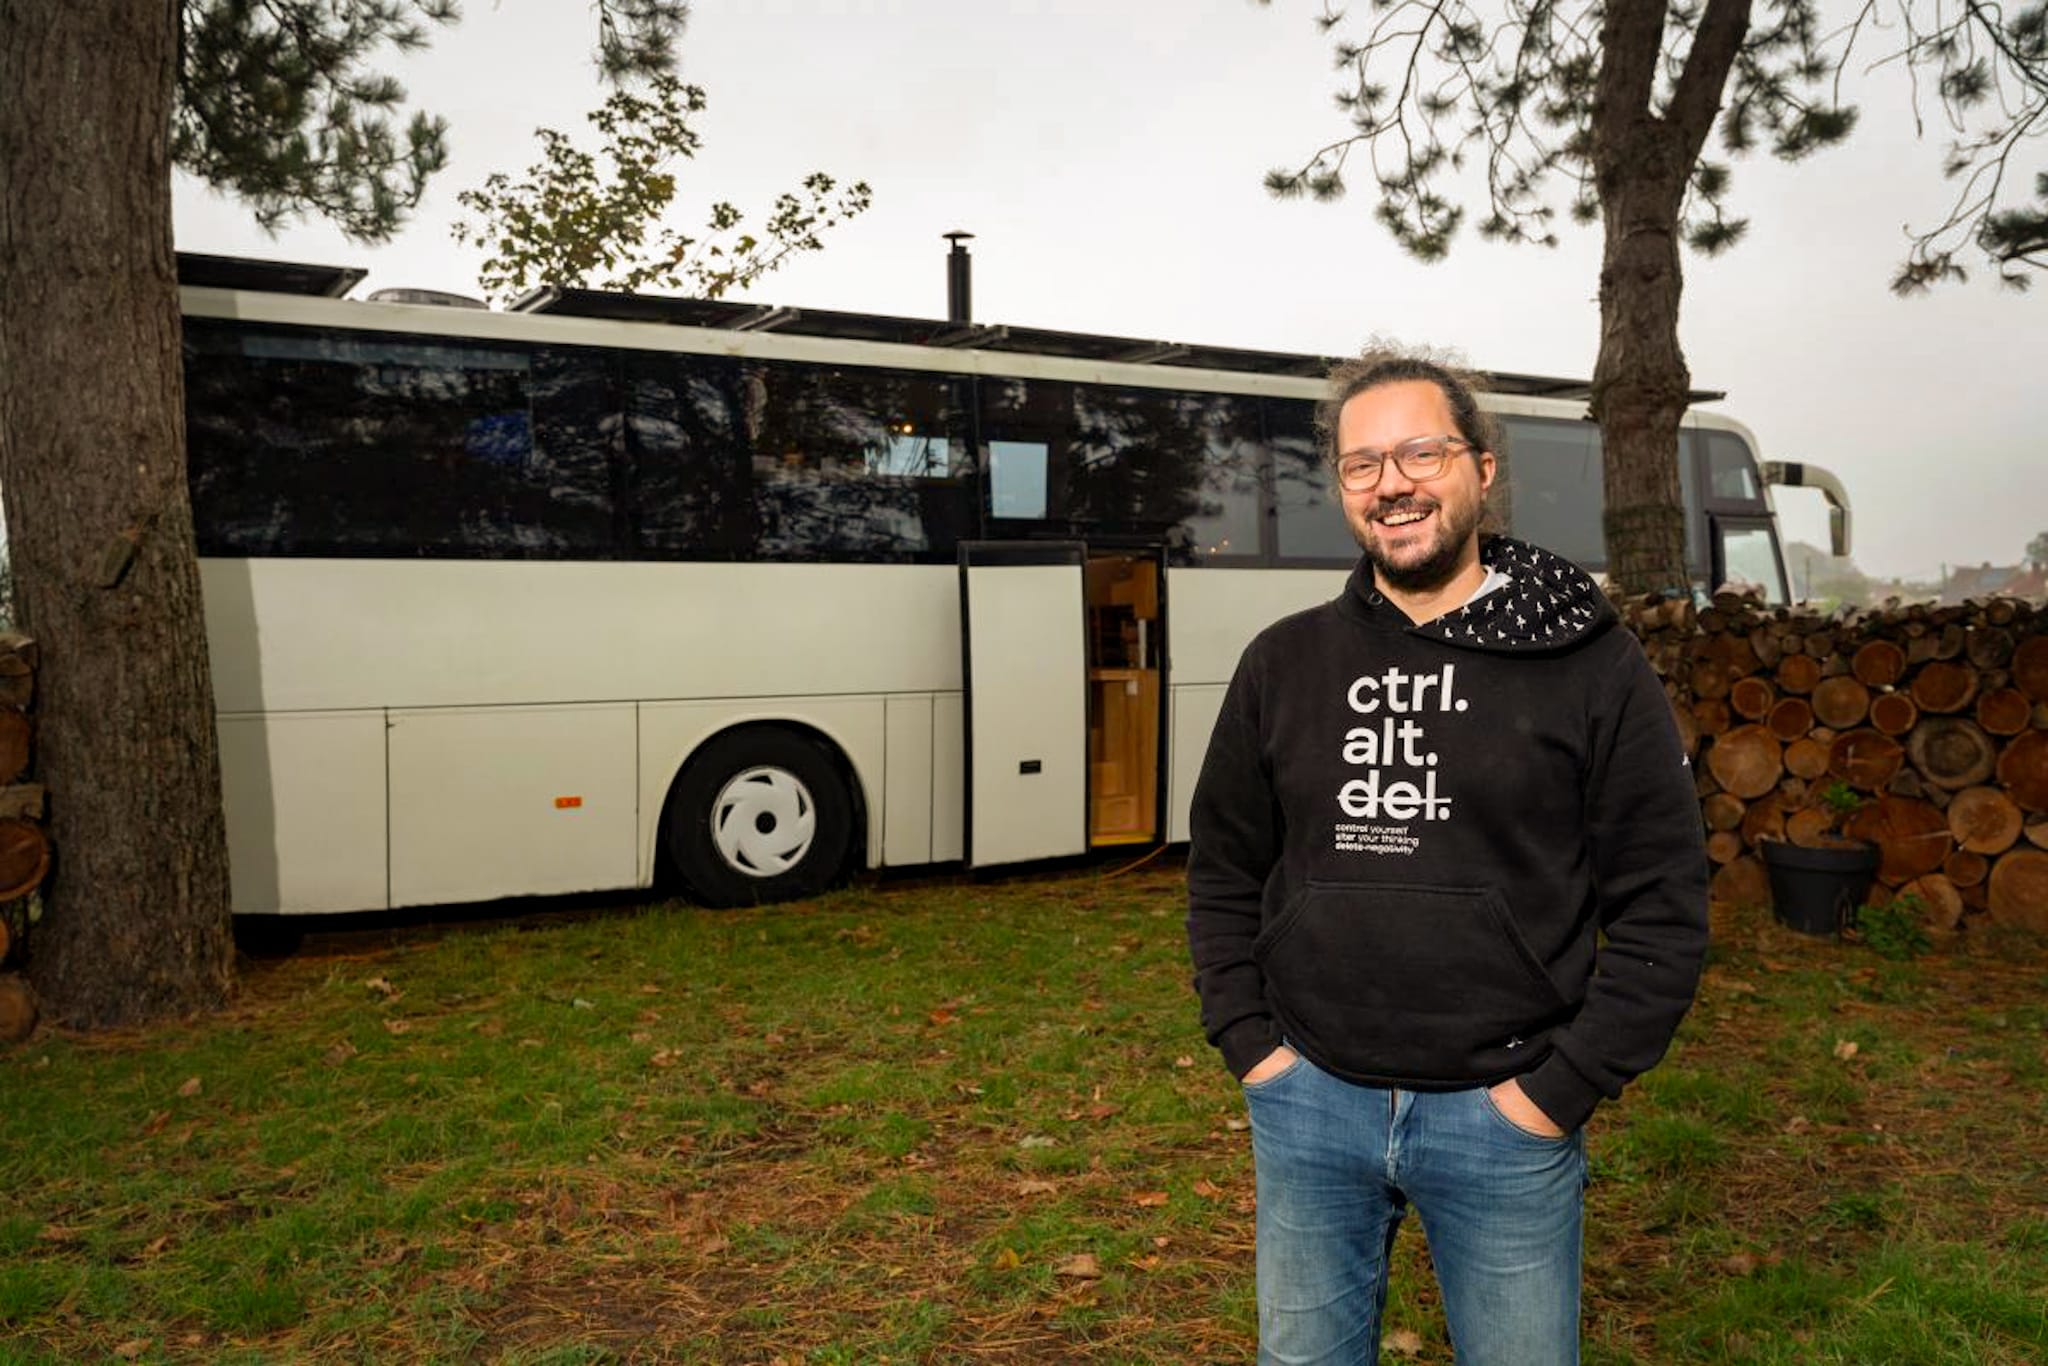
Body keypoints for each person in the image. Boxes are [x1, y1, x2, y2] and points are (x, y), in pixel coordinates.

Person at [1185, 348, 1709, 1364]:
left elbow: (1662, 902)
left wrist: (1554, 1094)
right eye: (1360, 463)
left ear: (1479, 469)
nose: (1391, 483)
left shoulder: (1587, 662)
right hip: (1307, 1105)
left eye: (1419, 452)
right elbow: (1222, 868)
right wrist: (1251, 1044)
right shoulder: (1282, 663)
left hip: (1502, 1118)